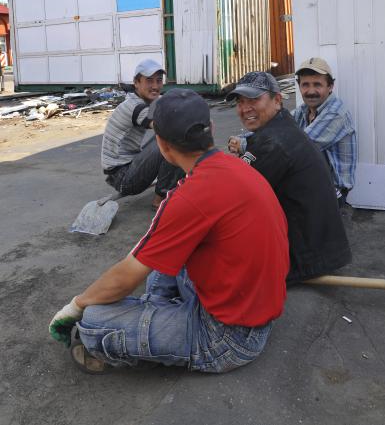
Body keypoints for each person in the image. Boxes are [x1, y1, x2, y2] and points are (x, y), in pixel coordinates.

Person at [49, 89, 289, 374]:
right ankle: (159, 311)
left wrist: (76, 305)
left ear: (161, 145)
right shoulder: (236, 168)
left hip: (226, 338)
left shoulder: (190, 197)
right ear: (211, 129)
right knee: (165, 251)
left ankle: (153, 321)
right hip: (252, 311)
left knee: (93, 320)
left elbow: (126, 279)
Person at [227, 71, 351, 283]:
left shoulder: (274, 143)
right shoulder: (282, 126)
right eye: (240, 102)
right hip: (319, 246)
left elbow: (231, 199)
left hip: (305, 258)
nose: (245, 108)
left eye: (254, 99)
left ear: (277, 100)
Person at [101, 58, 182, 208]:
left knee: (170, 135)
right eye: (149, 81)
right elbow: (162, 126)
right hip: (123, 177)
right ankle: (161, 198)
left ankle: (175, 185)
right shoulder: (134, 106)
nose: (155, 86)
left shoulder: (142, 99)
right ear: (136, 83)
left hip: (127, 166)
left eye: (159, 81)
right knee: (175, 139)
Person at [292, 57, 357, 206]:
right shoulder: (304, 110)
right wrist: (245, 138)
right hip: (312, 182)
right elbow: (278, 125)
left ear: (330, 86)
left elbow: (299, 145)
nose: (311, 91)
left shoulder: (336, 113)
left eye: (317, 85)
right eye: (305, 85)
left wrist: (248, 145)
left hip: (332, 191)